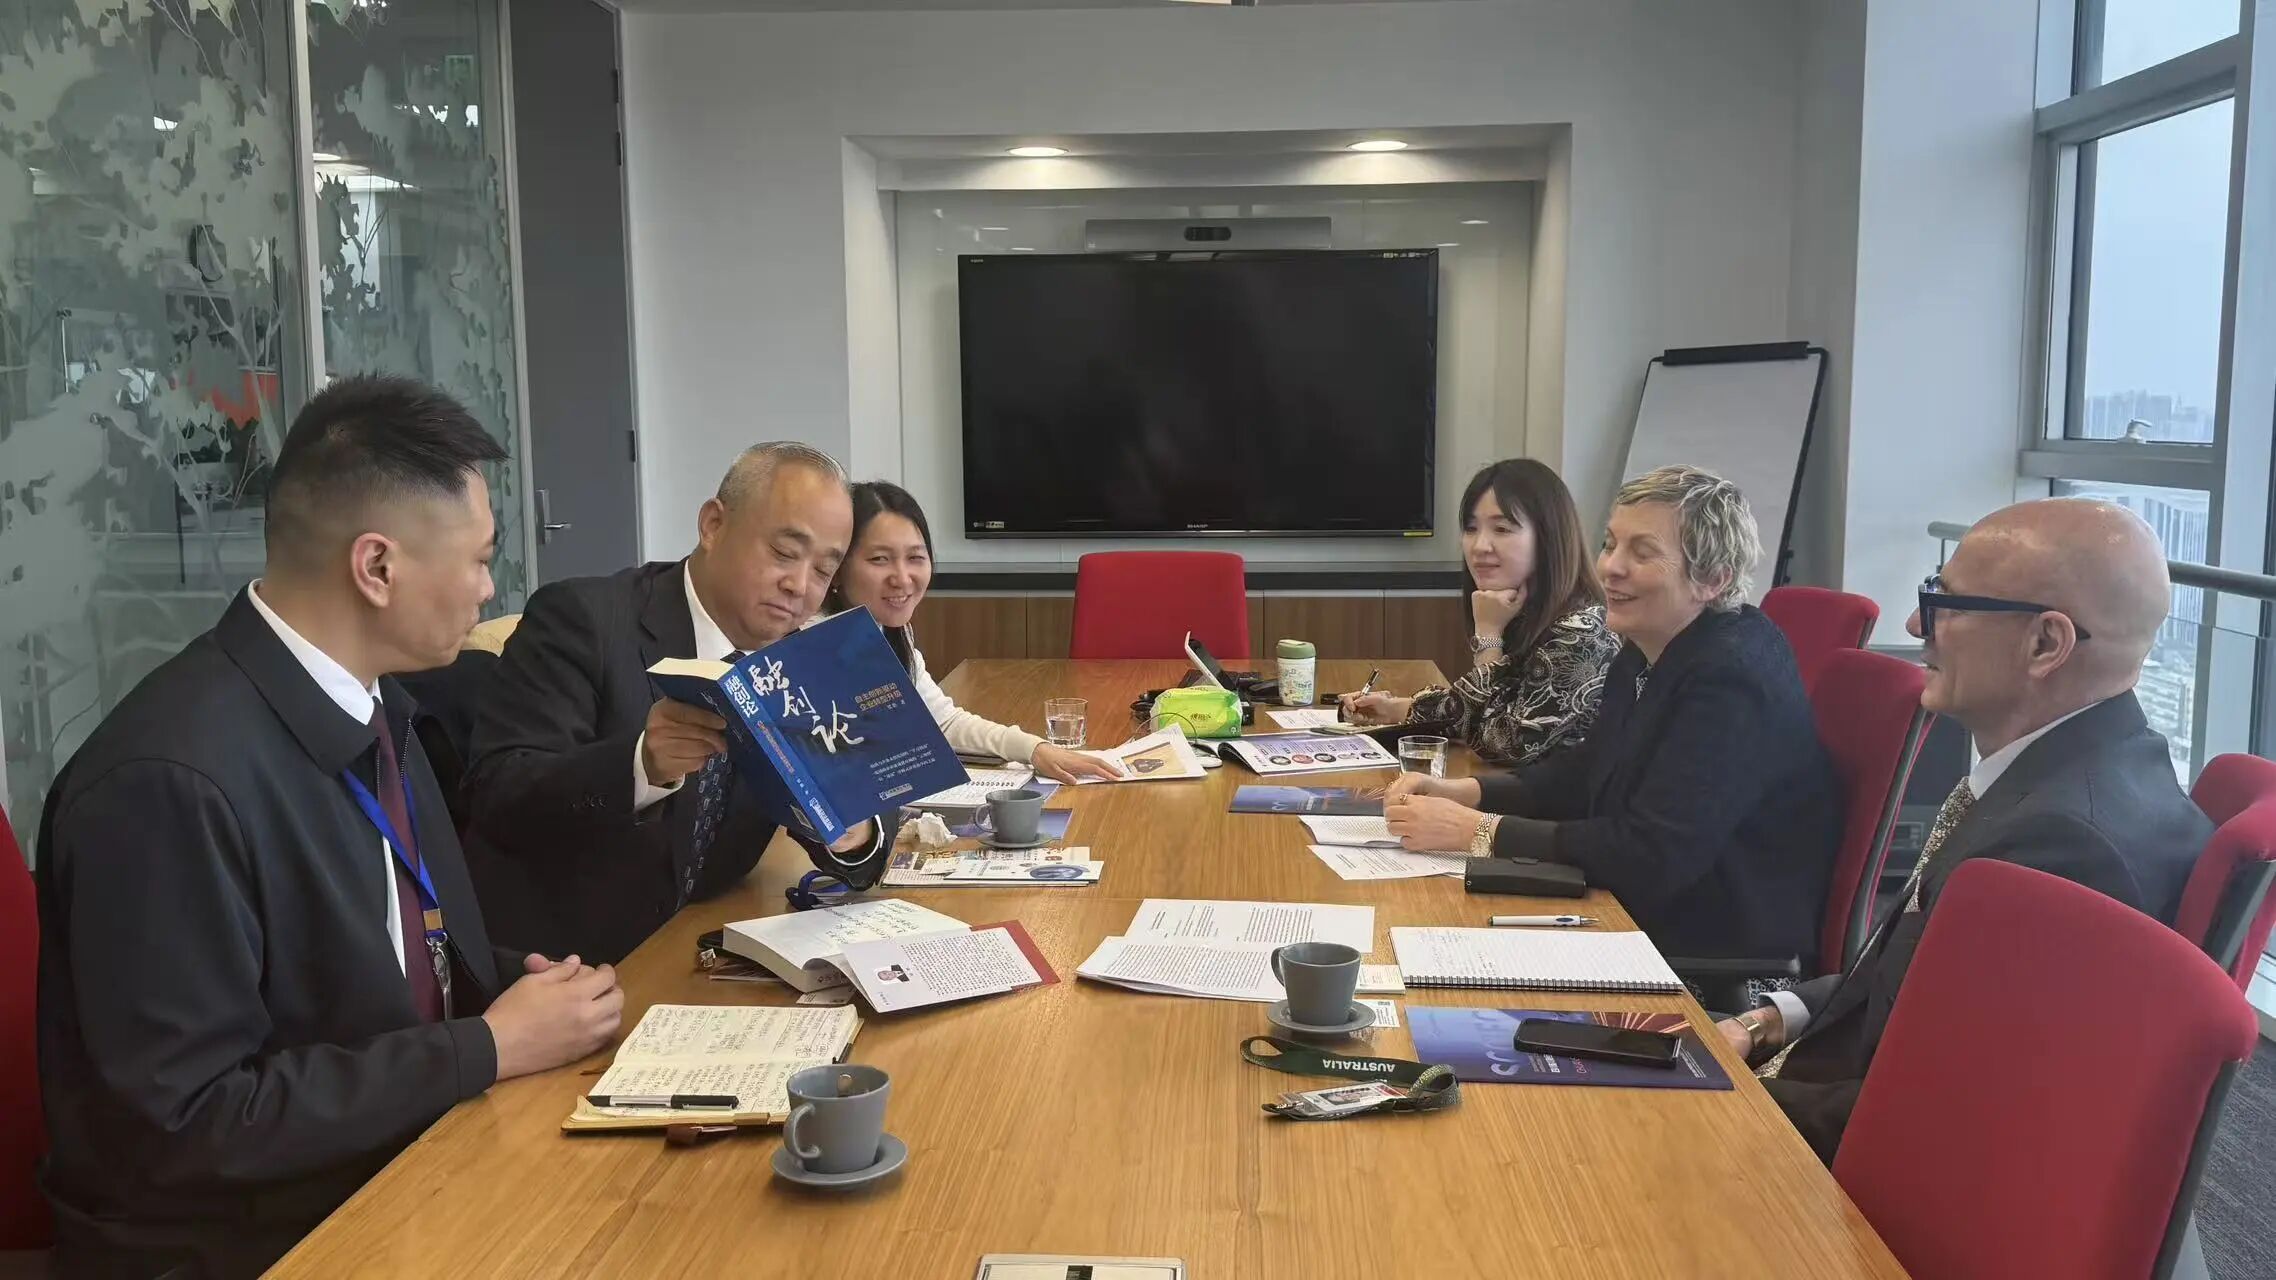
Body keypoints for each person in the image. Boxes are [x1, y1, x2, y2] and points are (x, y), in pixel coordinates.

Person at [35, 376, 624, 1279]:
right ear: (376, 567)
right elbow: (185, 1126)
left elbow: (374, 966)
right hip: (258, 1244)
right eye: (478, 559)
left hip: (401, 1172)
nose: (489, 588)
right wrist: (487, 1047)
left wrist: (529, 991)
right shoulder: (165, 782)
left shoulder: (376, 707)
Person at [1720, 498, 2210, 1163]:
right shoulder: (2066, 780)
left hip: (1831, 1174)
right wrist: (1766, 1021)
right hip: (1815, 1090)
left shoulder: (2061, 848)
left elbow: (1935, 1124)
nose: (1915, 624)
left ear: (2046, 645)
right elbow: (1911, 986)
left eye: (1944, 603)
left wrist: (1709, 1095)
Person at [1384, 465, 1839, 967]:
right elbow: (1587, 770)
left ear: (1712, 579)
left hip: (1704, 949)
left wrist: (1478, 830)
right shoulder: (1649, 647)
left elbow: (1652, 853)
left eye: (1641, 553)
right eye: (1610, 544)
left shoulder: (1731, 679)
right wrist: (1466, 792)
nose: (1610, 568)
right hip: (1632, 910)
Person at [460, 443, 895, 965]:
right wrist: (639, 765)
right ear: (713, 525)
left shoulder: (804, 658)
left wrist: (852, 830)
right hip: (568, 964)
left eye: (824, 571)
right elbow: (499, 793)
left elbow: (872, 818)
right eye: (783, 553)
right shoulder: (584, 619)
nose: (799, 587)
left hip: (704, 945)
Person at [825, 481, 1123, 782]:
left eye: (915, 557)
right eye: (879, 559)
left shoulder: (888, 632)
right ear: (836, 567)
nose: (902, 578)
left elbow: (943, 722)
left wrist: (1035, 749)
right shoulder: (815, 646)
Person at [1341, 459, 1619, 768]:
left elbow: (1500, 742)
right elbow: (1482, 711)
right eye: (1471, 529)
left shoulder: (1581, 633)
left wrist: (1488, 636)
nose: (1480, 546)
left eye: (1502, 529)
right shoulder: (1521, 610)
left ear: (1549, 537)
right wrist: (1394, 709)